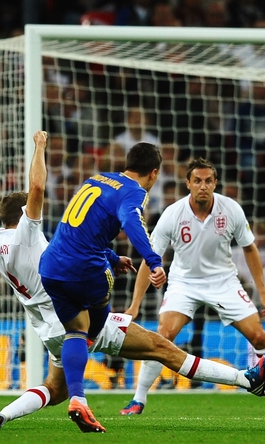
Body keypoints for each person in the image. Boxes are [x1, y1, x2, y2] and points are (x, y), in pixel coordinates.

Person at [0, 132, 265, 431]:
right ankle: (246, 380)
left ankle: (2, 416)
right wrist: (152, 260)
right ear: (153, 172)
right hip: (77, 297)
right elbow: (50, 194)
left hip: (49, 321)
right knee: (161, 347)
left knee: (53, 388)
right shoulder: (33, 231)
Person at [121, 158, 265, 417]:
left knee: (258, 337)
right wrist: (134, 305)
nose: (203, 186)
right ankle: (138, 400)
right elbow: (149, 259)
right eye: (197, 181)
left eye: (208, 181)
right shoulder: (172, 214)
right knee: (163, 335)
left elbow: (250, 249)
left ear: (215, 183)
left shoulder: (230, 209)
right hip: (184, 283)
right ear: (188, 184)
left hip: (224, 282)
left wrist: (263, 294)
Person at [38, 141, 171, 433]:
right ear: (154, 173)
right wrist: (154, 260)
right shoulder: (135, 191)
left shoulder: (97, 178)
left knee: (76, 329)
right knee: (97, 316)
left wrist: (112, 255)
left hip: (50, 267)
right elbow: (131, 221)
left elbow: (81, 228)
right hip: (84, 270)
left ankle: (78, 398)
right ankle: (95, 350)